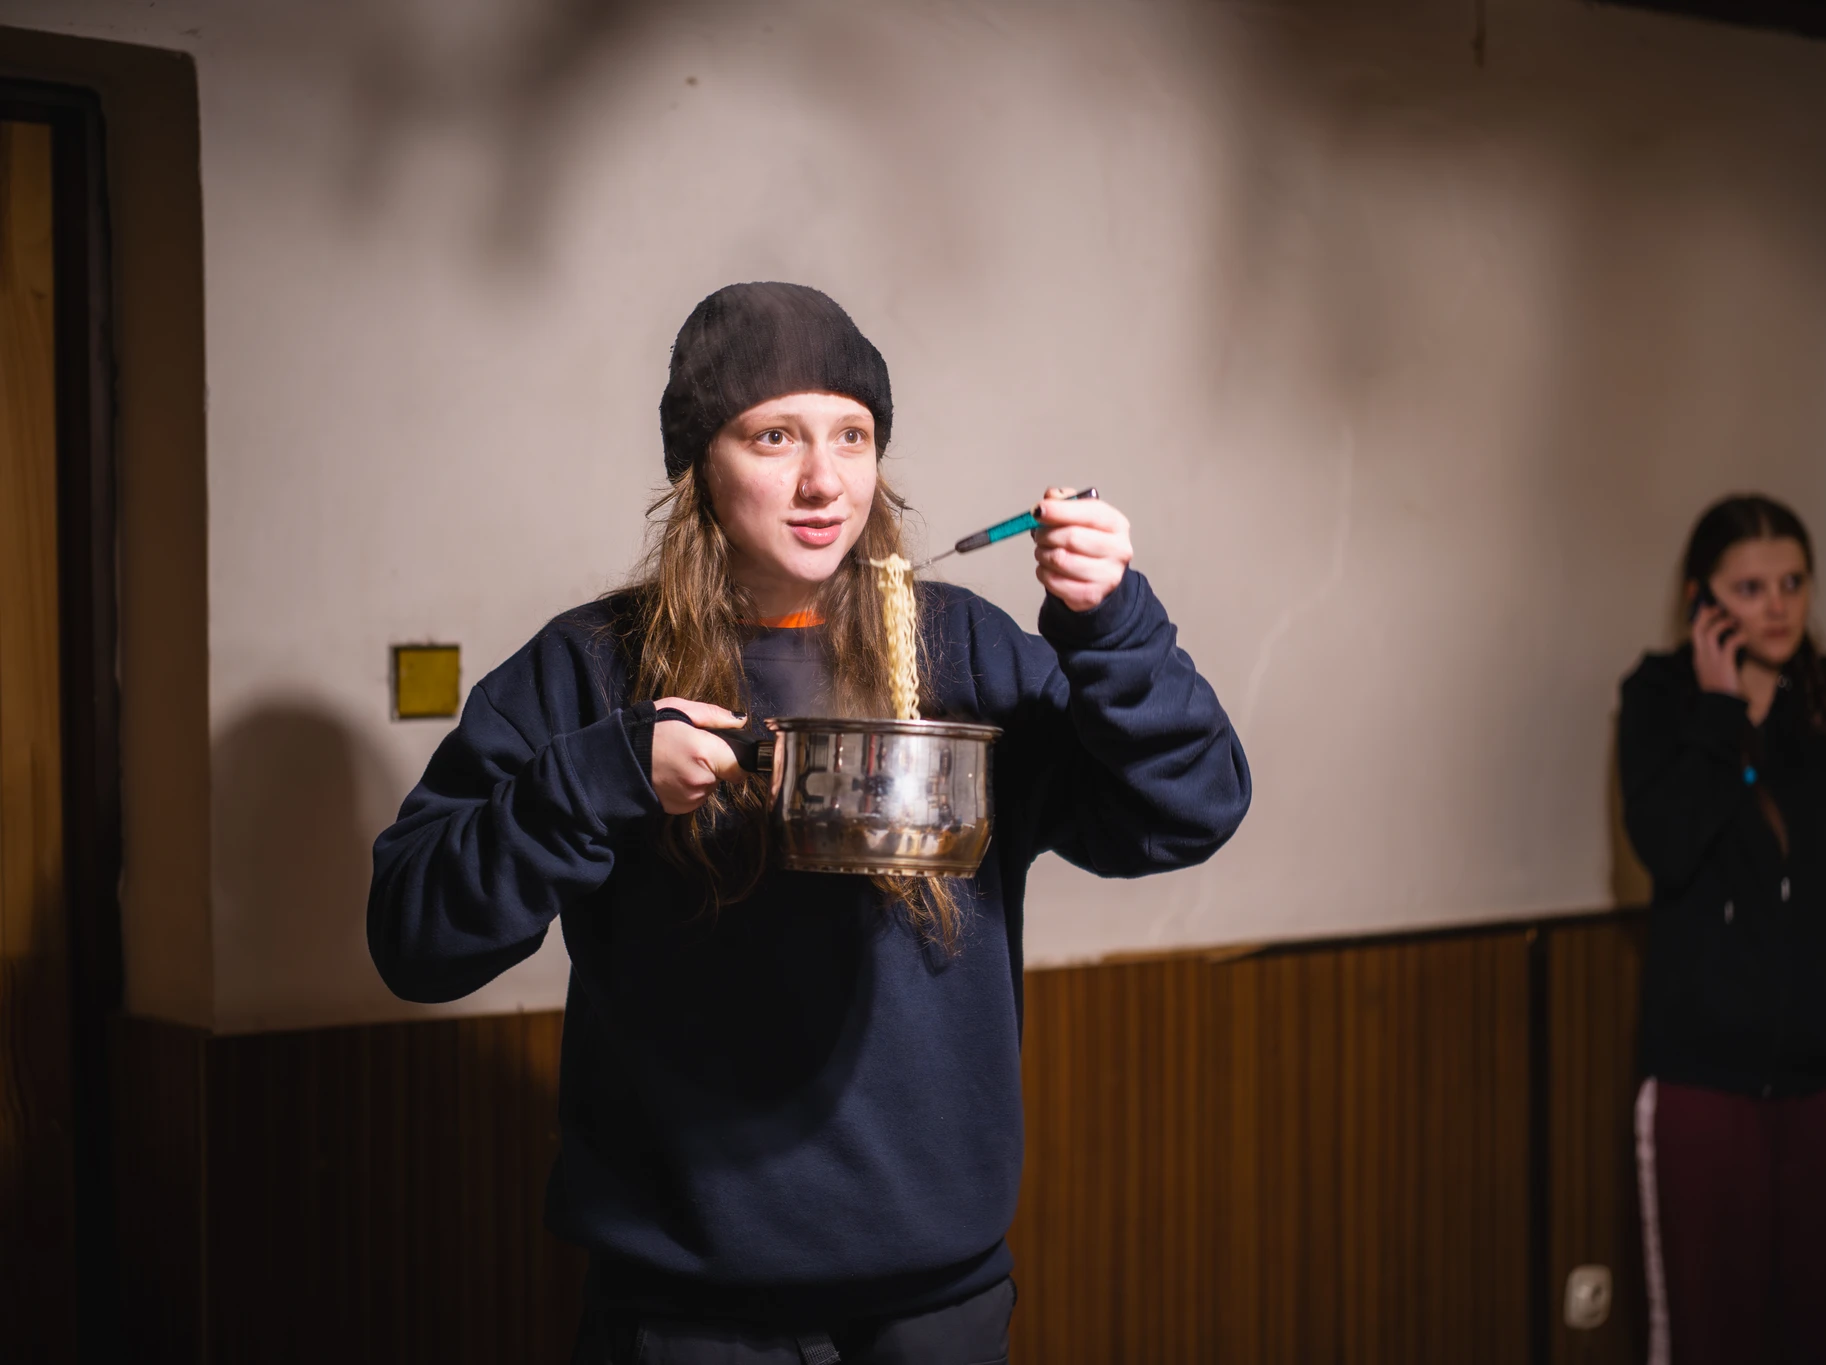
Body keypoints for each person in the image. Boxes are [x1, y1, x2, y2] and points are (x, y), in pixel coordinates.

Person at [366, 282, 1252, 1364]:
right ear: (699, 464)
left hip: (938, 1302)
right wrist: (600, 776)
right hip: (687, 1313)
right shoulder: (590, 667)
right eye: (775, 436)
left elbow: (1190, 808)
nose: (824, 480)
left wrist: (1112, 625)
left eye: (852, 435)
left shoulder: (962, 649)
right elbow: (414, 938)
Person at [1618, 494, 1826, 1365]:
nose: (1778, 606)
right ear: (1702, 599)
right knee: (1710, 1333)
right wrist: (1723, 710)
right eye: (1750, 588)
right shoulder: (1658, 698)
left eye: (1793, 582)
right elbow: (1667, 847)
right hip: (1706, 1082)